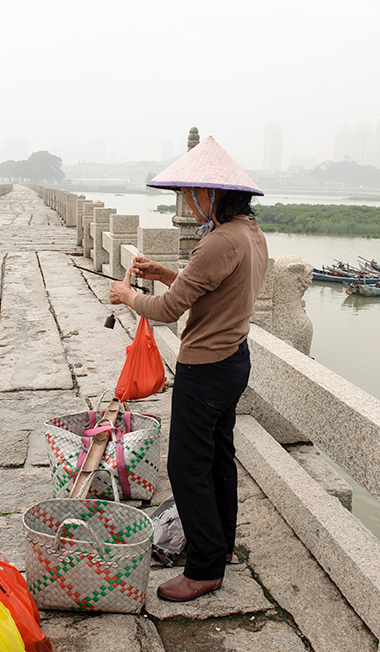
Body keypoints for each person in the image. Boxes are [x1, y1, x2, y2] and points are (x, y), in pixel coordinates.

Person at [109, 136, 268, 602]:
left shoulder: (218, 241)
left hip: (207, 367)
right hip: (233, 359)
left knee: (186, 465)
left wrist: (129, 296)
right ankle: (217, 549)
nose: (185, 202)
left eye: (189, 194)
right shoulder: (248, 233)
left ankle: (202, 569)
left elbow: (168, 311)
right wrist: (161, 272)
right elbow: (210, 291)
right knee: (218, 459)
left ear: (212, 195)